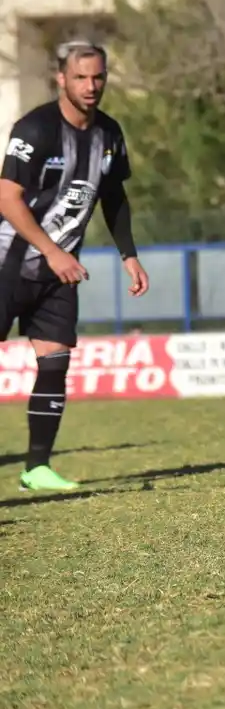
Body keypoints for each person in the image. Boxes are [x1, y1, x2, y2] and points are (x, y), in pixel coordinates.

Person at [1, 41, 149, 491]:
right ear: (61, 78)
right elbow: (7, 197)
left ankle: (37, 468)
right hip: (8, 265)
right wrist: (50, 249)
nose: (91, 86)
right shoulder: (35, 128)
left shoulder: (110, 134)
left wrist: (129, 254)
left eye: (98, 77)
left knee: (54, 362)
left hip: (59, 271)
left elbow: (114, 197)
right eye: (81, 77)